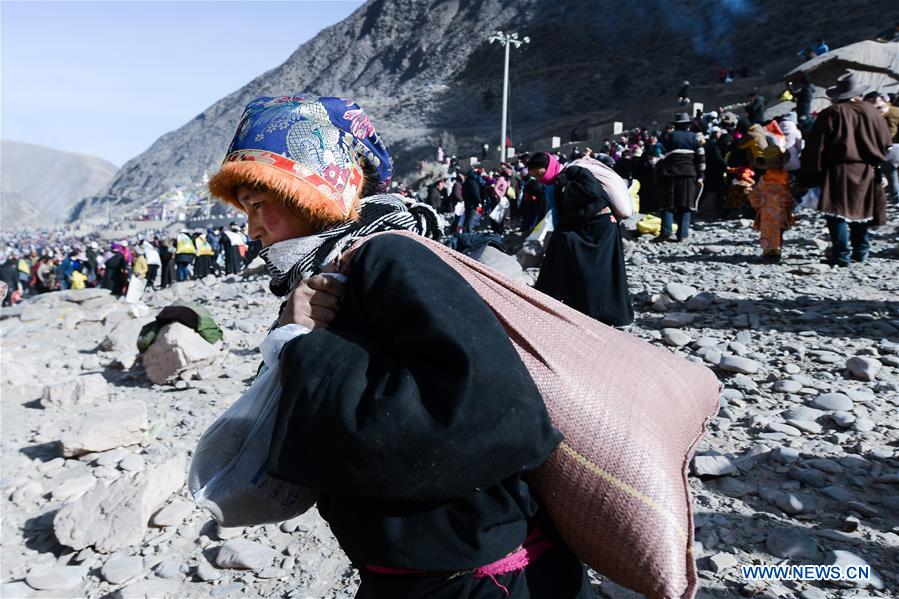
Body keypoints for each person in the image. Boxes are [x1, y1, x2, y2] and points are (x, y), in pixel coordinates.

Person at [206, 94, 590, 599]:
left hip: (481, 581)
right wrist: (291, 335)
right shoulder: (330, 276)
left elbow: (487, 413)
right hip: (409, 575)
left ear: (312, 191)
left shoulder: (389, 257)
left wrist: (300, 346)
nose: (251, 229)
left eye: (259, 205)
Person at [527, 151, 633, 327]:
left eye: (540, 174)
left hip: (599, 228)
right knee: (587, 268)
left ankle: (596, 314)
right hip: (590, 228)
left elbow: (595, 198)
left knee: (597, 272)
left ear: (550, 167)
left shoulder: (572, 175)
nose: (540, 179)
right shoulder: (556, 183)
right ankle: (578, 308)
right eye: (536, 177)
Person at [799, 72, 891, 266]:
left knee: (837, 212)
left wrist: (810, 174)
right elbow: (885, 142)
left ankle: (841, 255)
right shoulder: (872, 111)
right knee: (862, 210)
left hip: (838, 170)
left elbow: (816, 147)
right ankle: (861, 251)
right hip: (867, 168)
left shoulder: (832, 113)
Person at [654, 113, 705, 241]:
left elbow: (661, 155)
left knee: (668, 204)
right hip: (688, 173)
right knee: (685, 204)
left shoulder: (668, 137)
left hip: (669, 173)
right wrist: (701, 175)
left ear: (676, 125)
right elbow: (701, 158)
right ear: (688, 125)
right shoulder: (695, 138)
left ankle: (666, 232)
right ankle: (682, 234)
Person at [748, 146, 795, 262]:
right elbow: (793, 192)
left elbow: (755, 194)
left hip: (766, 210)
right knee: (780, 231)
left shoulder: (764, 178)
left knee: (768, 231)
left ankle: (770, 252)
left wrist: (757, 205)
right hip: (782, 209)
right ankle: (777, 250)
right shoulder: (787, 176)